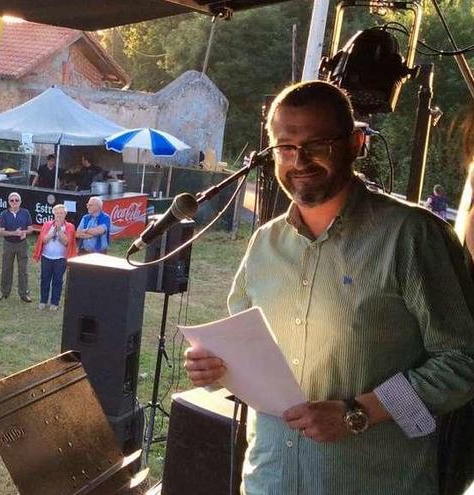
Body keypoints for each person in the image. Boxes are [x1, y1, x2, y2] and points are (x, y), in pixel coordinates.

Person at [183, 80, 474, 495]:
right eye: (286, 147)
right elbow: (242, 348)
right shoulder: (264, 243)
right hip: (270, 481)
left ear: (356, 143)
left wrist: (358, 413)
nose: (299, 160)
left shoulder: (412, 236)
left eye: (317, 144)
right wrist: (212, 368)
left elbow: (463, 361)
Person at [32, 204, 77, 310]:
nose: (59, 215)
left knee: (57, 280)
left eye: (62, 213)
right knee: (45, 279)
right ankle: (43, 301)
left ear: (65, 214)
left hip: (60, 259)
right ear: (54, 214)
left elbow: (66, 242)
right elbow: (43, 240)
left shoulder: (70, 226)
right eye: (57, 213)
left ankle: (54, 303)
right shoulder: (47, 225)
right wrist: (53, 232)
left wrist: (59, 231)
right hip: (46, 257)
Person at [0, 192, 34, 302]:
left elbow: (30, 229)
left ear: (20, 202)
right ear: (9, 202)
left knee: (23, 270)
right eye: (12, 200)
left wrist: (23, 232)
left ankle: (24, 293)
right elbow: (1, 232)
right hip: (8, 244)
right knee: (6, 269)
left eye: (16, 200)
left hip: (22, 245)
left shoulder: (25, 213)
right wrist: (15, 233)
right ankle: (4, 292)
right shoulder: (4, 214)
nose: (14, 202)